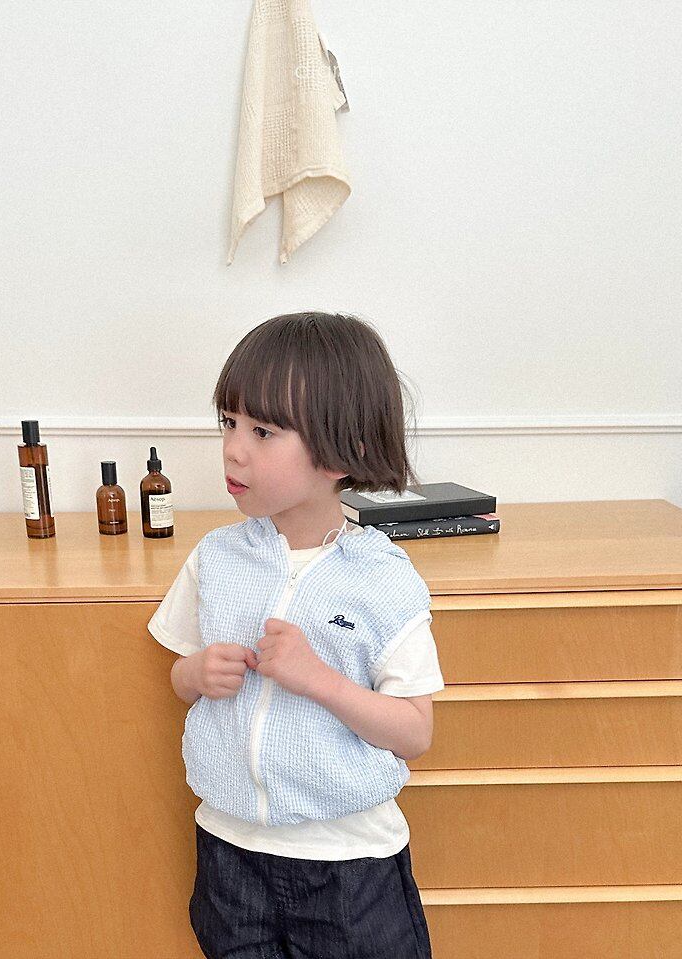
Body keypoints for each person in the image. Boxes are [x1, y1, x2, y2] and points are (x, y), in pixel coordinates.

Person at [147, 311, 445, 959]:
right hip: (230, 853)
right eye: (228, 422)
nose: (233, 448)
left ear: (342, 452)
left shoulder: (382, 580)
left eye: (263, 431)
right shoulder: (217, 558)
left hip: (348, 864)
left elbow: (414, 733)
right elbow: (178, 676)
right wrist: (196, 673)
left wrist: (319, 680)